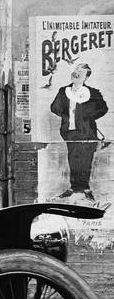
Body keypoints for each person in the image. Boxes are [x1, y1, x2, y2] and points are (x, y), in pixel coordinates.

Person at [50, 63, 108, 201]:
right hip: (70, 131)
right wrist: (66, 113)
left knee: (86, 159)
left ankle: (85, 188)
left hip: (86, 131)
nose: (76, 73)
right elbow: (54, 108)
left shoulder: (93, 93)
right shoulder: (63, 91)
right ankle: (74, 187)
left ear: (86, 77)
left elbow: (103, 108)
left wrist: (85, 114)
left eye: (80, 72)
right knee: (73, 158)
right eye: (76, 70)